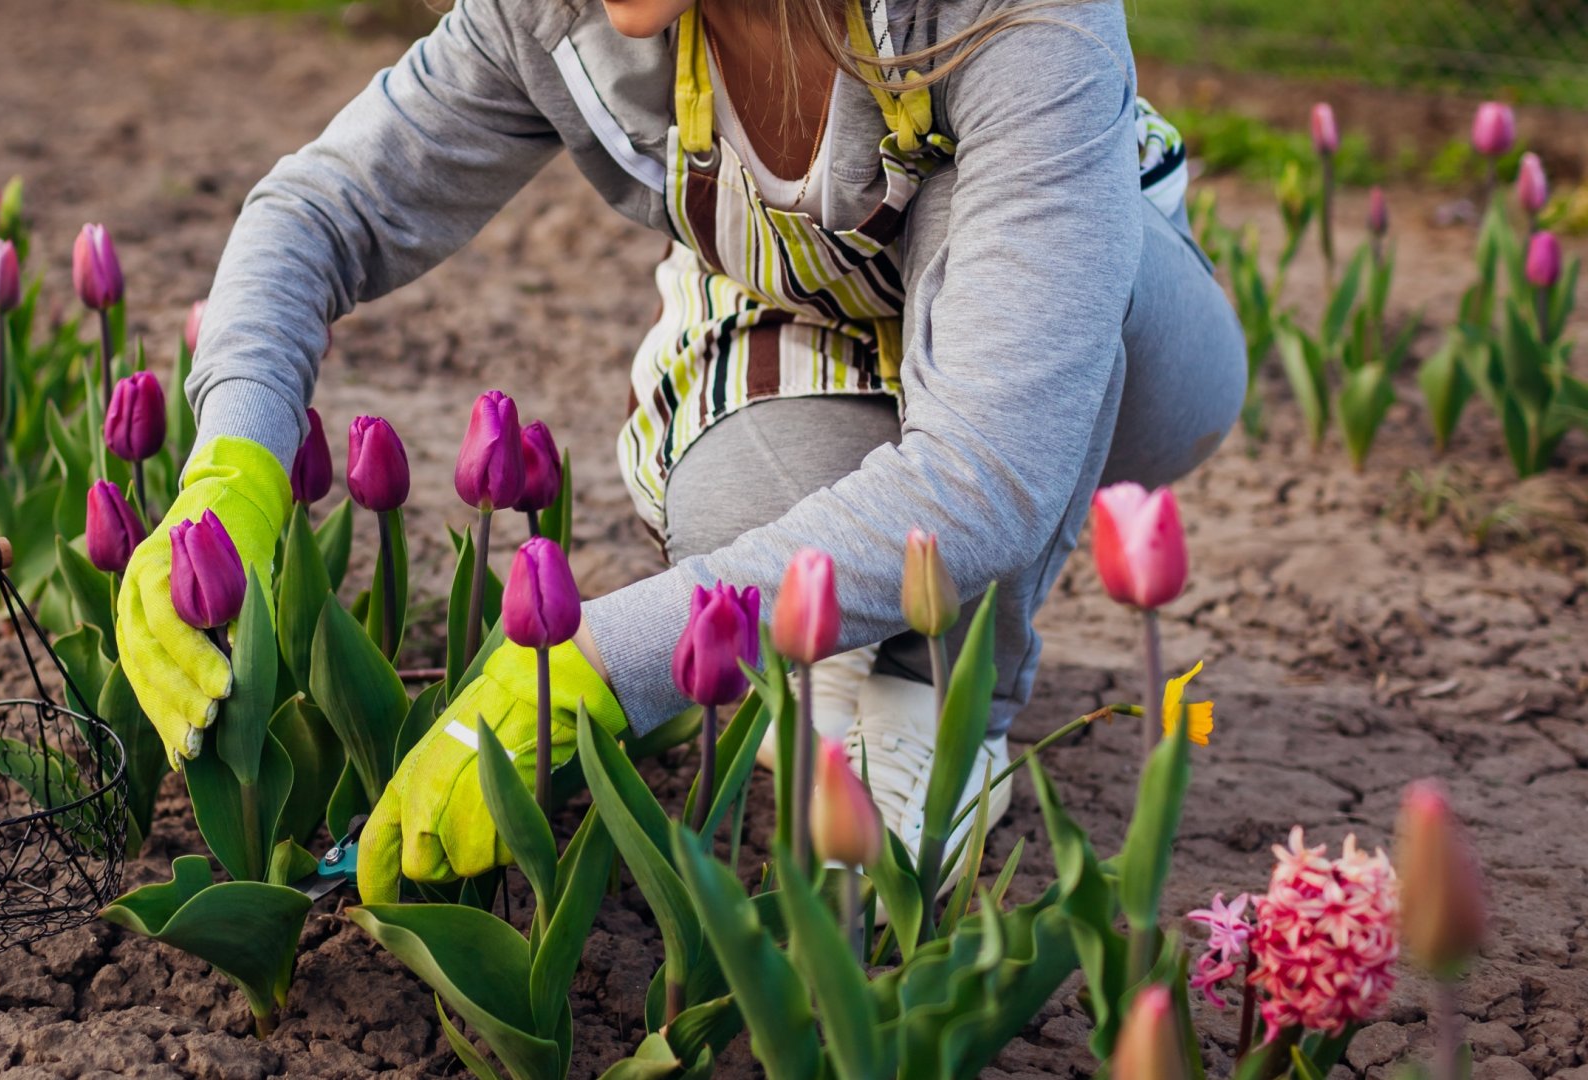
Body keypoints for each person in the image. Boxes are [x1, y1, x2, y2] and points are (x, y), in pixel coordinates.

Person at [114, 0, 1246, 902]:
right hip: (814, 315)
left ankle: (941, 700)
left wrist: (608, 661)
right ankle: (841, 643)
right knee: (730, 530)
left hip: (1100, 336)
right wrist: (234, 463)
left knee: (1023, 395)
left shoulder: (1019, 16)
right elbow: (317, 212)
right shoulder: (560, 14)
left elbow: (994, 464)